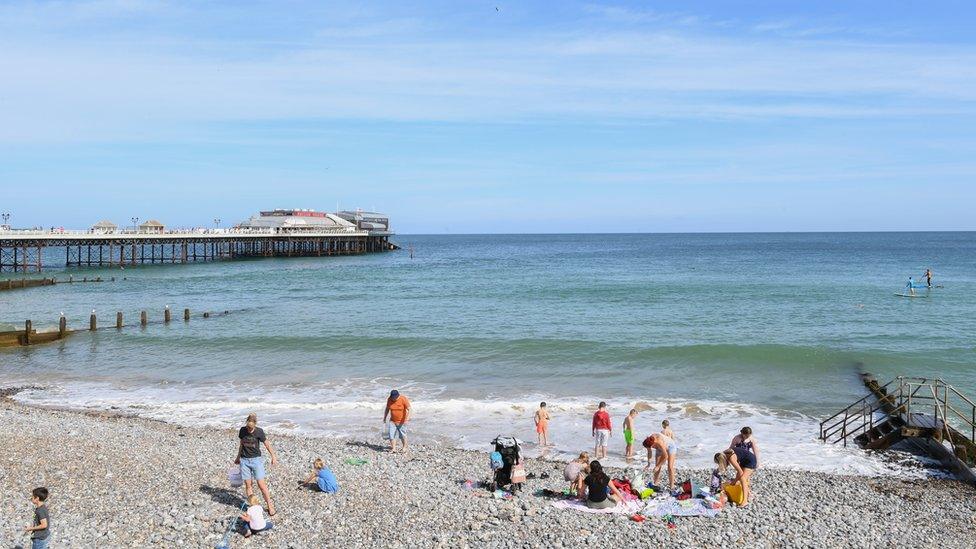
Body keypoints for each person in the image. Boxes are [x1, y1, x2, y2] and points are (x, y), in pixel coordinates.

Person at [234, 413, 278, 517]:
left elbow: (267, 444)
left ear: (255, 425)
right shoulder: (242, 430)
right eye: (248, 428)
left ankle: (270, 506)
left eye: (251, 428)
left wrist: (273, 456)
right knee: (248, 485)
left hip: (256, 461)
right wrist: (238, 457)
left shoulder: (259, 432)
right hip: (244, 460)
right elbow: (241, 445)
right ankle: (252, 507)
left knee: (261, 485)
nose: (249, 430)